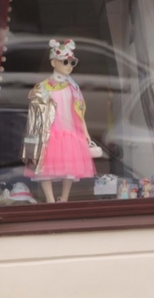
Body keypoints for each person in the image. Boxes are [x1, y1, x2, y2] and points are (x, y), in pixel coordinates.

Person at [22, 39, 96, 203]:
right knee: (44, 167)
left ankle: (65, 198)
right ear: (53, 62)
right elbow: (35, 114)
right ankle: (49, 198)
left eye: (72, 62)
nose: (69, 65)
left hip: (69, 132)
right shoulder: (42, 87)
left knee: (70, 167)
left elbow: (79, 111)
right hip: (48, 133)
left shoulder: (73, 87)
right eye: (65, 61)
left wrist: (85, 131)